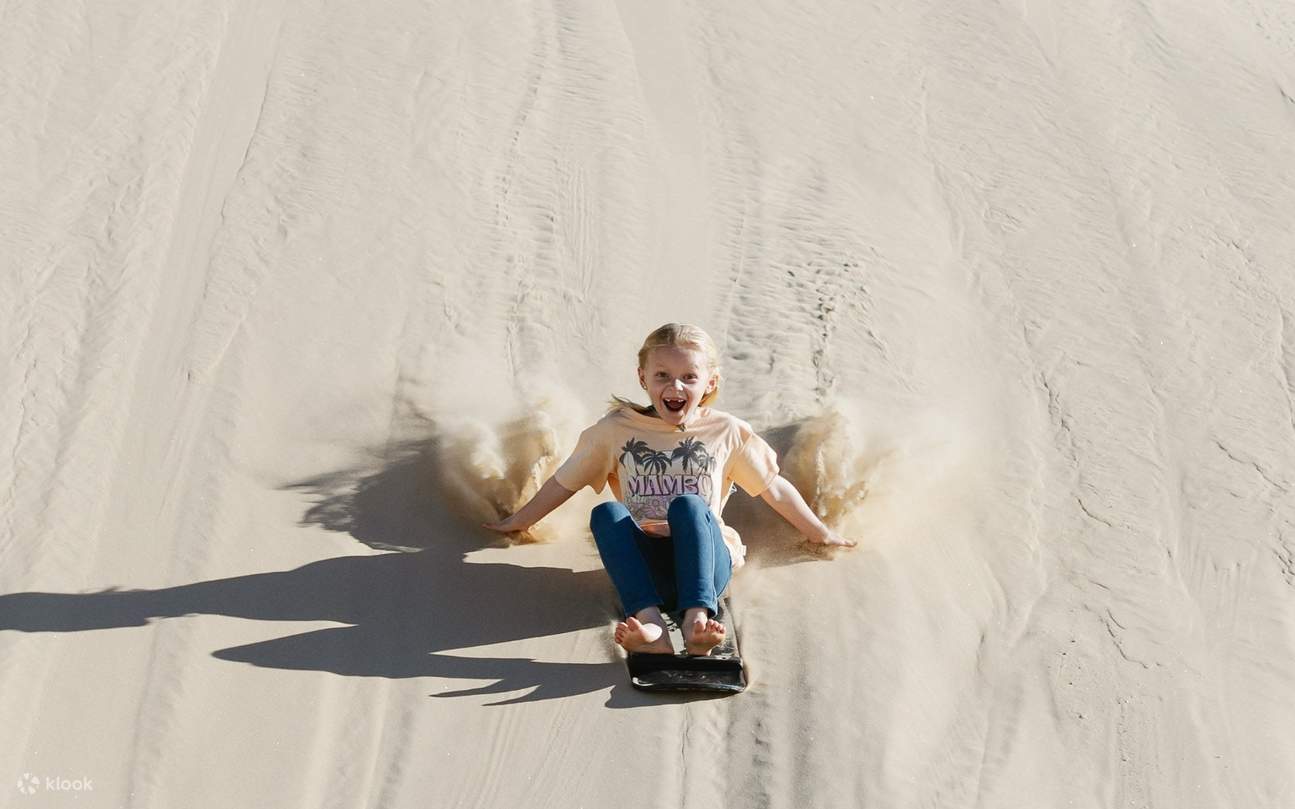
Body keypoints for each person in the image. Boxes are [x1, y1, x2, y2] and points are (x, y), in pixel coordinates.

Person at [483, 323, 857, 656]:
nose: (675, 386)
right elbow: (563, 483)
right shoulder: (615, 431)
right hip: (648, 569)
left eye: (689, 377)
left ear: (710, 383)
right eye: (662, 375)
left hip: (707, 565)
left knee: (688, 506)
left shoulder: (726, 431)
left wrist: (820, 533)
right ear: (643, 378)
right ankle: (652, 628)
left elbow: (773, 488)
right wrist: (518, 521)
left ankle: (697, 621)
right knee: (607, 514)